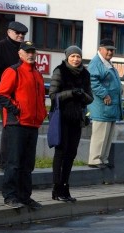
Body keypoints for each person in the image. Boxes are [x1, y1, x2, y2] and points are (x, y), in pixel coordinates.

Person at [0, 41, 47, 210]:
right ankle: (10, 196)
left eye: (33, 51)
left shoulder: (38, 75)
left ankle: (25, 197)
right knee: (14, 162)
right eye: (27, 52)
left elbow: (40, 99)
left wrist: (41, 115)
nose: (31, 54)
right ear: (20, 54)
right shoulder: (13, 71)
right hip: (16, 123)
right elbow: (1, 94)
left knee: (27, 164)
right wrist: (15, 110)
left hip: (32, 124)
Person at [48, 46, 94, 202]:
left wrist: (82, 95)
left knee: (71, 154)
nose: (76, 59)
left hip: (77, 119)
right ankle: (57, 188)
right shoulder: (59, 71)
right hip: (62, 118)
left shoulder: (85, 74)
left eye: (78, 56)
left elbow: (90, 97)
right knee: (60, 153)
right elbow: (53, 96)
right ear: (67, 57)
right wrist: (71, 93)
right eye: (73, 56)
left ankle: (66, 187)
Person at [0, 21, 28, 170]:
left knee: (20, 127)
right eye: (17, 33)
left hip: (22, 94)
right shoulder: (0, 47)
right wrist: (6, 84)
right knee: (8, 126)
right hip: (6, 94)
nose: (20, 36)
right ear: (9, 32)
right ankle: (4, 161)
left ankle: (16, 160)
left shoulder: (24, 49)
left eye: (22, 34)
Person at [87, 39, 123, 168]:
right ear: (100, 48)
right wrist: (104, 94)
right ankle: (95, 159)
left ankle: (103, 159)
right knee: (100, 134)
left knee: (107, 135)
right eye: (108, 49)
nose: (110, 52)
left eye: (112, 50)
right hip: (102, 106)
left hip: (110, 106)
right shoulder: (96, 63)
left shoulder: (106, 62)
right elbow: (92, 81)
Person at [0, 21, 28, 91]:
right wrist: (7, 83)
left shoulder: (25, 48)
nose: (21, 35)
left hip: (22, 91)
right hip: (5, 92)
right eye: (17, 32)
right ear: (8, 32)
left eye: (23, 33)